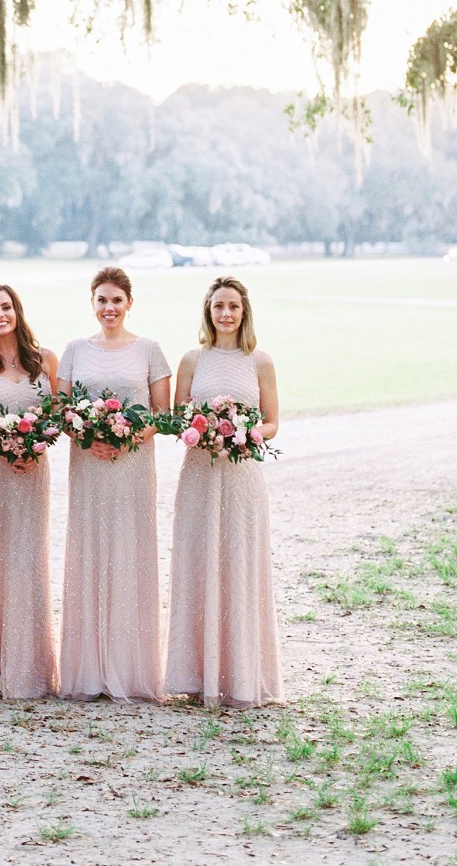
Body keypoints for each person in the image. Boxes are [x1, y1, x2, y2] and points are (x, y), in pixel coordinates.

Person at [164, 275, 283, 707]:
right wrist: (204, 430)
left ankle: (241, 675)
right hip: (198, 474)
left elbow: (272, 421)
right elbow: (179, 418)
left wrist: (244, 435)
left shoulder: (260, 362)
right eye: (218, 306)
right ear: (208, 311)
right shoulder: (192, 360)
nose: (226, 314)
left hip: (241, 477)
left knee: (238, 564)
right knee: (199, 563)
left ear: (244, 311)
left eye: (233, 306)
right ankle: (196, 674)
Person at [57, 265, 171, 700]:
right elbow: (62, 409)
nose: (109, 308)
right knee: (90, 549)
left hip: (132, 467)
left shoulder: (149, 350)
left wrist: (126, 439)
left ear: (129, 303)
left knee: (130, 551)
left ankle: (132, 668)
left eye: (116, 300)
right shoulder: (74, 350)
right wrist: (86, 437)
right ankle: (88, 669)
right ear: (92, 302)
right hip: (88, 466)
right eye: (101, 300)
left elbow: (162, 414)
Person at [0, 282, 59, 698]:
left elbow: (59, 414)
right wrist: (0, 448)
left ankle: (31, 669)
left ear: (17, 311)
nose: (0, 314)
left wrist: (33, 446)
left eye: (6, 307)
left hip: (33, 471)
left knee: (28, 559)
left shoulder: (45, 359)